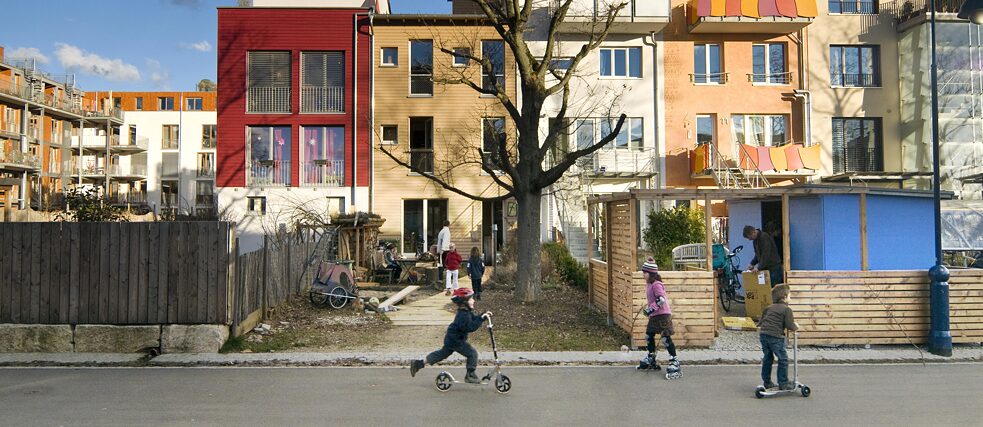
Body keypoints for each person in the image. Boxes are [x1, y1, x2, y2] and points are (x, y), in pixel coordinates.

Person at [409, 288, 490, 383]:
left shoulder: (466, 312)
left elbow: (473, 319)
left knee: (442, 354)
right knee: (472, 353)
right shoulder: (462, 315)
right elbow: (470, 327)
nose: (473, 300)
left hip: (451, 338)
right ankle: (470, 375)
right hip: (456, 340)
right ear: (464, 302)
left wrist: (482, 316)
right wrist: (481, 319)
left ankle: (418, 363)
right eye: (471, 299)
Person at [637, 258, 681, 378]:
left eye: (645, 273)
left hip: (663, 315)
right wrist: (649, 308)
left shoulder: (656, 284)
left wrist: (651, 308)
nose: (643, 275)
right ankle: (651, 357)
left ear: (650, 273)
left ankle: (674, 361)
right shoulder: (649, 284)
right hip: (655, 315)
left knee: (665, 339)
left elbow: (661, 300)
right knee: (649, 336)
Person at [756, 284, 798, 390]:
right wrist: (795, 326)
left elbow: (761, 321)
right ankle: (783, 382)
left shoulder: (769, 307)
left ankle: (767, 381)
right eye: (790, 296)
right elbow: (789, 325)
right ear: (784, 297)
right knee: (783, 359)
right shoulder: (787, 309)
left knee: (768, 358)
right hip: (775, 336)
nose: (790, 298)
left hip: (763, 334)